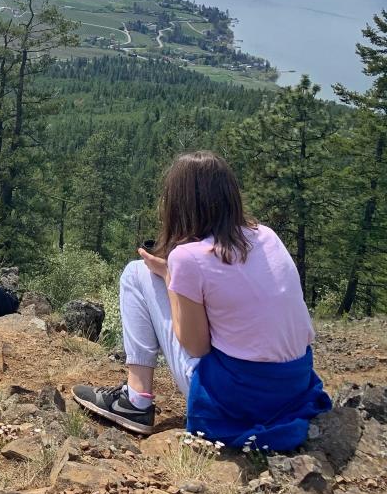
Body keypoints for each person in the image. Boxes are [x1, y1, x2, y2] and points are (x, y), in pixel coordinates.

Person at [72, 150, 330, 449]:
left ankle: (135, 399)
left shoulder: (188, 258)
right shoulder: (267, 236)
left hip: (235, 400)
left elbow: (196, 346)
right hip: (294, 388)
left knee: (134, 273)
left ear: (178, 203)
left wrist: (170, 277)